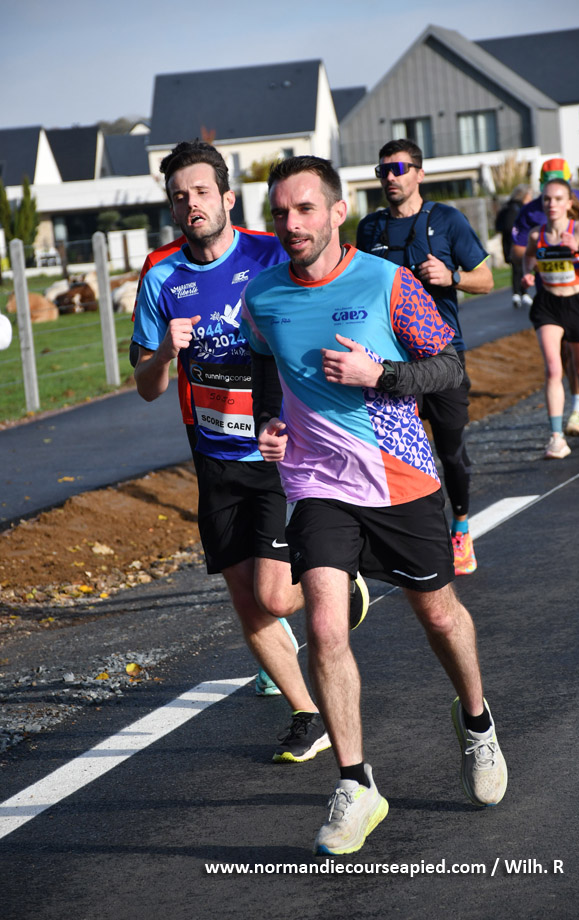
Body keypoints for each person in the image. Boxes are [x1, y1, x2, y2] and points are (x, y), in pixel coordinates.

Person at [241, 155, 507, 856]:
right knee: (326, 626)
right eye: (280, 212)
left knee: (439, 616)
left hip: (398, 479)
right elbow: (263, 361)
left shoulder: (387, 282)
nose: (291, 224)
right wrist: (270, 420)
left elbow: (448, 366)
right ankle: (356, 784)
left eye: (305, 209)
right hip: (316, 483)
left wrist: (377, 373)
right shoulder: (262, 295)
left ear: (337, 212)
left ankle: (477, 724)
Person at [132, 140, 368, 764]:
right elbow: (147, 386)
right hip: (213, 457)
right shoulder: (160, 275)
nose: (191, 204)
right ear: (172, 208)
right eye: (179, 196)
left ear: (227, 198)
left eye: (201, 191)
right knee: (246, 600)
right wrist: (166, 352)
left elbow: (322, 305)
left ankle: (340, 582)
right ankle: (308, 713)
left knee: (276, 597)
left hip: (277, 451)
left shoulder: (271, 252)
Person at [356, 138, 494, 576]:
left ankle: (461, 525)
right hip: (390, 364)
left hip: (441, 356)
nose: (390, 177)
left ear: (420, 173)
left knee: (450, 451)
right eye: (383, 170)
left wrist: (451, 276)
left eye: (398, 168)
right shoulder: (369, 229)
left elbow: (487, 280)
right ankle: (406, 537)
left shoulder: (447, 220)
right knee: (396, 453)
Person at [512, 158, 579, 438]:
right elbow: (524, 255)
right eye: (547, 198)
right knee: (554, 367)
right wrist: (528, 275)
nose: (551, 204)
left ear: (569, 201)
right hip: (548, 302)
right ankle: (556, 437)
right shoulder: (535, 230)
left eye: (558, 198)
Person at [494, 184, 533, 308]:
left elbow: (498, 225)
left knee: (516, 268)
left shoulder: (506, 206)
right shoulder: (519, 208)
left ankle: (517, 293)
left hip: (507, 241)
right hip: (518, 241)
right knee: (520, 266)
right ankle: (522, 293)